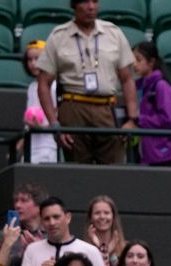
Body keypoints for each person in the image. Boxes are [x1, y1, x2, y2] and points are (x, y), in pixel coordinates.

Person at [34, 0, 138, 165]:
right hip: (74, 108)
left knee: (114, 169)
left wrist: (132, 119)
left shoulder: (113, 33)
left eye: (95, 1)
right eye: (85, 2)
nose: (91, 7)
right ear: (74, 5)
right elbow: (44, 83)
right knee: (78, 172)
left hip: (107, 109)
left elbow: (127, 79)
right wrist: (54, 123)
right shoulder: (59, 35)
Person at [17, 197, 106, 266]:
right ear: (41, 222)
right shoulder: (32, 250)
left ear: (68, 218)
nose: (52, 222)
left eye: (56, 217)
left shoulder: (90, 251)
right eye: (47, 218)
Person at [129, 41, 171, 166]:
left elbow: (166, 119)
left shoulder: (161, 86)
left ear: (151, 62)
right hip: (146, 152)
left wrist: (138, 119)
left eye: (138, 60)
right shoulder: (141, 85)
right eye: (132, 60)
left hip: (161, 155)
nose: (134, 64)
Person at [20, 40, 57, 164]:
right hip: (31, 145)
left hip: (48, 146)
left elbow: (58, 118)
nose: (33, 63)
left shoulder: (54, 86)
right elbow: (29, 122)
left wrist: (40, 127)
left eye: (37, 58)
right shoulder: (31, 87)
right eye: (30, 60)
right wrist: (20, 144)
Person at [7, 183, 49, 266]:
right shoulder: (8, 234)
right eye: (16, 201)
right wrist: (22, 255)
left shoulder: (51, 233)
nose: (17, 205)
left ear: (39, 206)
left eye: (24, 201)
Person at [84, 195, 126, 266]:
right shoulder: (82, 249)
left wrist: (112, 256)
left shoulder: (126, 249)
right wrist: (108, 250)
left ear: (113, 217)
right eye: (97, 213)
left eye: (106, 213)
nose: (102, 217)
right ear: (90, 217)